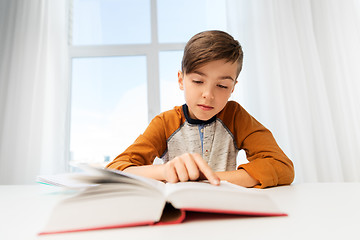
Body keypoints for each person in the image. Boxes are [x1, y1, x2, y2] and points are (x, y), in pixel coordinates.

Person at [106, 30, 294, 188]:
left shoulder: (235, 116)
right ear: (181, 80)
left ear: (233, 88)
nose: (208, 95)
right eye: (198, 81)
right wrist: (165, 171)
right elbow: (114, 171)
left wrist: (209, 179)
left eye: (222, 86)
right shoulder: (165, 123)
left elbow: (282, 166)